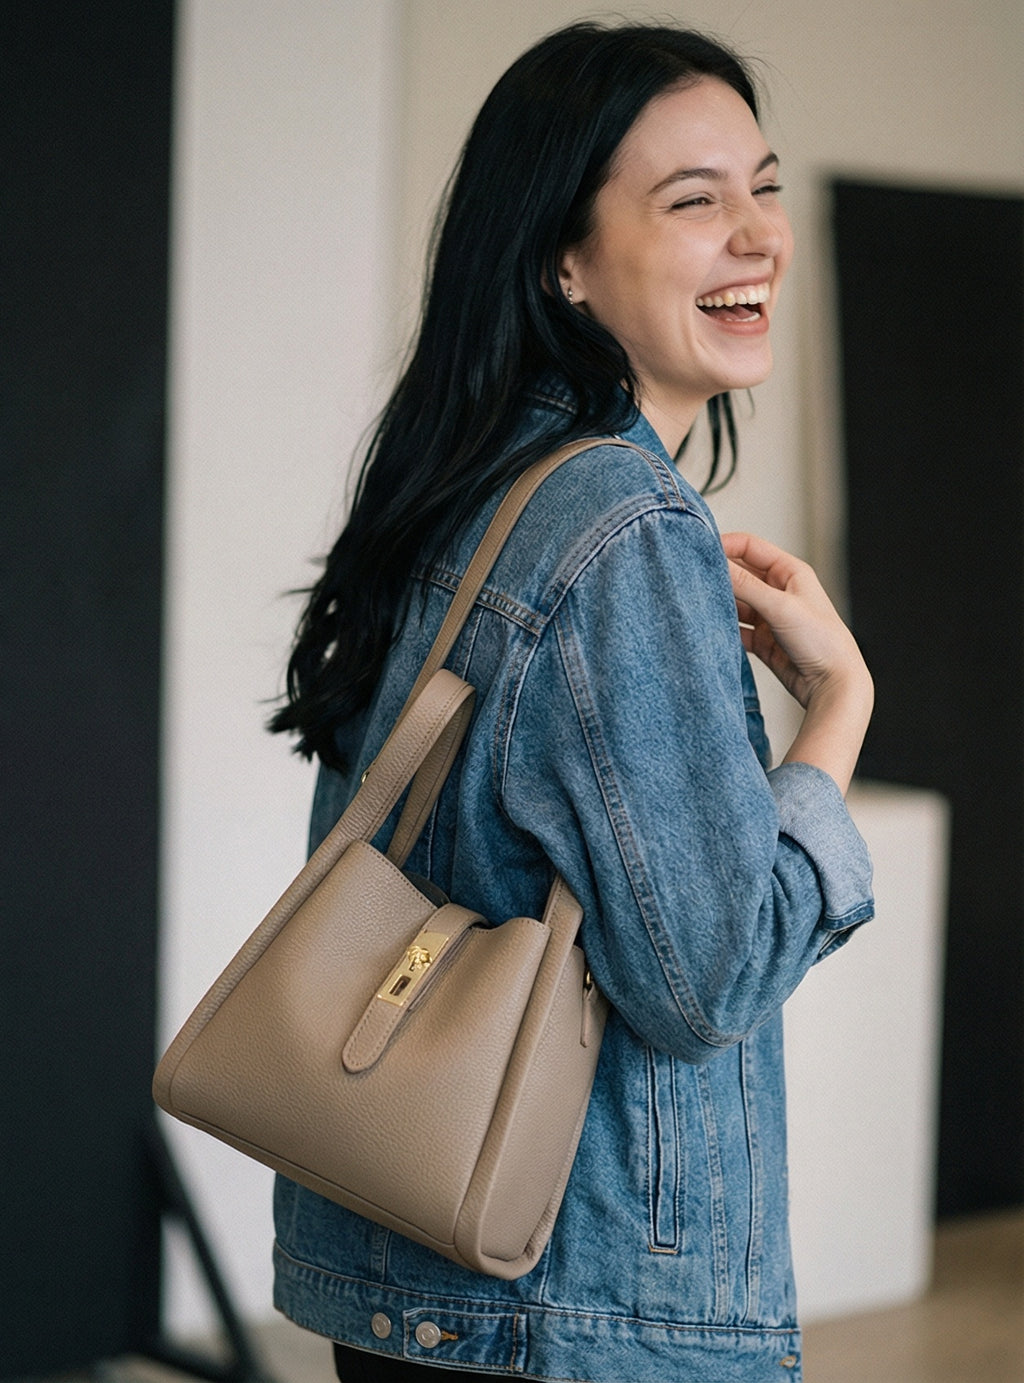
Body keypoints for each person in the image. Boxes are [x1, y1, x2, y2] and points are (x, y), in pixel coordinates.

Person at [268, 20, 874, 1383]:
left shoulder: (473, 481)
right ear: (564, 259)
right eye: (693, 200)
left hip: (409, 1267)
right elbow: (708, 979)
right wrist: (835, 711)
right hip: (574, 1307)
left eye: (765, 187)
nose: (759, 236)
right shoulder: (616, 516)